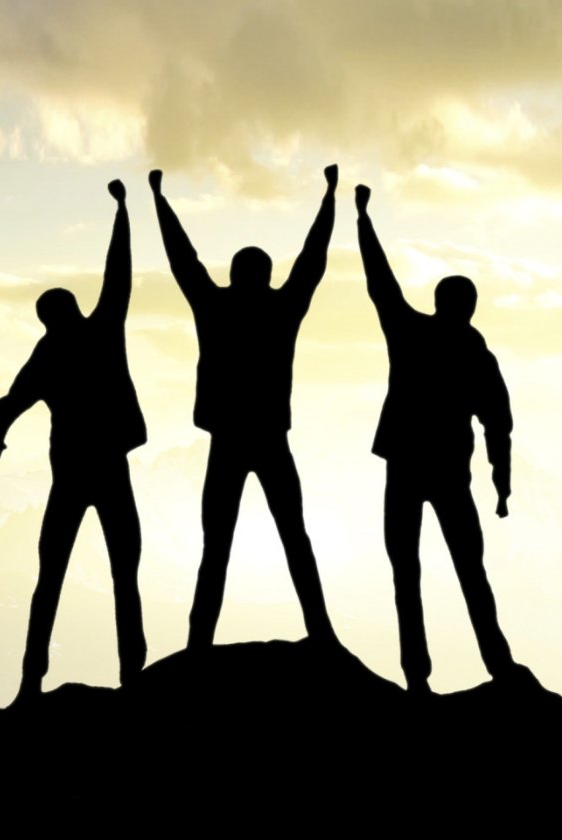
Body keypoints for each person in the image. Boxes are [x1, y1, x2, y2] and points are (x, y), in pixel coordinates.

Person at [149, 165, 341, 649]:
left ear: (234, 275)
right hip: (270, 440)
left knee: (216, 547)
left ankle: (199, 644)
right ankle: (321, 632)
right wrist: (328, 197)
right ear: (267, 276)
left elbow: (182, 259)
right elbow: (312, 260)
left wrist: (159, 199)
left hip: (229, 441)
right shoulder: (283, 308)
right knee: (294, 537)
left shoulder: (213, 306)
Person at [354, 184, 535, 693]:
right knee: (468, 571)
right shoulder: (477, 356)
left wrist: (362, 219)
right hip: (450, 473)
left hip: (407, 468)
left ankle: (418, 678)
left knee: (406, 574)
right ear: (470, 308)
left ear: (438, 303)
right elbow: (498, 425)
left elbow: (379, 282)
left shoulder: (410, 333)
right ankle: (497, 664)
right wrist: (501, 484)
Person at [0, 178, 147, 703]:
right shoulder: (100, 329)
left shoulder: (48, 352)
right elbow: (119, 274)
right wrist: (122, 212)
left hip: (72, 478)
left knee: (50, 578)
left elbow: (8, 404)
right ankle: (133, 678)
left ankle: (30, 683)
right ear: (72, 308)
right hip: (108, 471)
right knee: (124, 574)